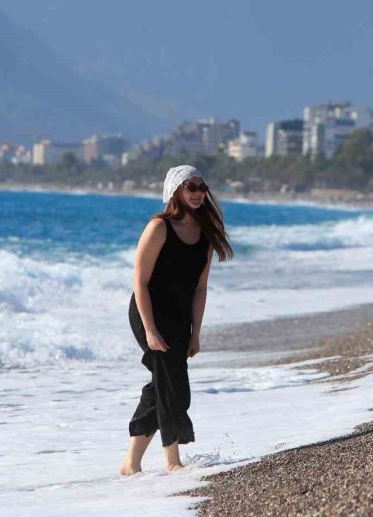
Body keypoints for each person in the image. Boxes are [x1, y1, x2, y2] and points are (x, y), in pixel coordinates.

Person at [120, 165, 233, 475]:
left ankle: (131, 464)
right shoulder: (158, 228)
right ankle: (172, 462)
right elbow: (139, 283)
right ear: (175, 191)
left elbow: (200, 288)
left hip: (180, 316)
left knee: (162, 384)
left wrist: (196, 333)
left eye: (202, 186)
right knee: (176, 387)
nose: (198, 192)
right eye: (191, 186)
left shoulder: (206, 235)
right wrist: (151, 330)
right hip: (149, 313)